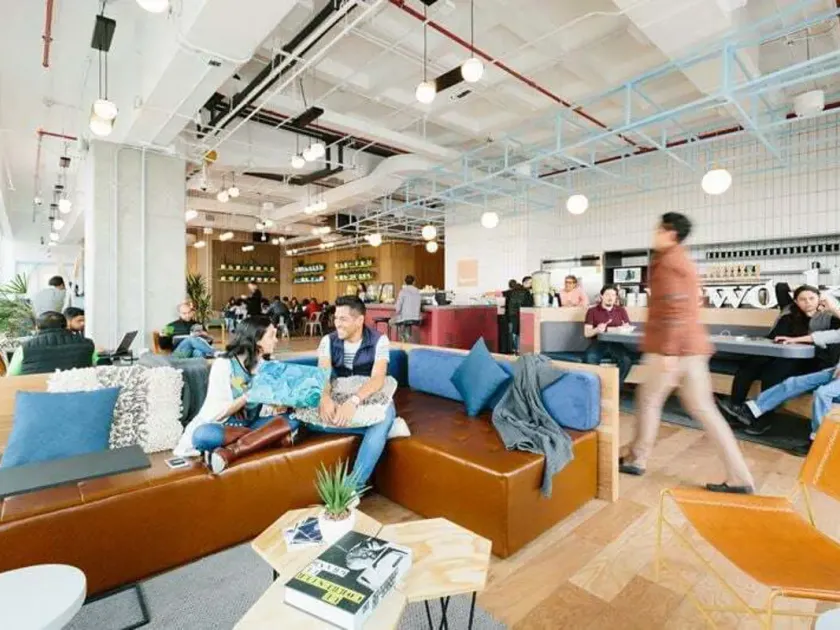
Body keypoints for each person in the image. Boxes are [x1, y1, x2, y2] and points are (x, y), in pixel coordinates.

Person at [619, 213, 754, 494]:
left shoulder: (669, 263)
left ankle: (636, 458)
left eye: (657, 229)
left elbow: (676, 306)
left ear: (669, 232)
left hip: (672, 349)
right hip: (692, 348)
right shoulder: (683, 260)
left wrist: (669, 349)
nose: (654, 233)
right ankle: (740, 477)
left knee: (648, 400)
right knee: (705, 410)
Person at [288, 296, 396, 488]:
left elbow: (378, 378)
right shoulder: (327, 341)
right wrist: (325, 397)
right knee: (303, 414)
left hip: (370, 393)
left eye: (343, 319)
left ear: (359, 320)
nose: (337, 323)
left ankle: (352, 487)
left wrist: (354, 401)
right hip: (338, 390)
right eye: (336, 318)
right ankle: (385, 429)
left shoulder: (380, 340)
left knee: (382, 419)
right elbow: (324, 374)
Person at [186, 318, 293, 472]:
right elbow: (217, 412)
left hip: (255, 424)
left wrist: (282, 403)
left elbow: (275, 405)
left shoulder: (268, 366)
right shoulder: (224, 364)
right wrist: (248, 395)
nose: (276, 340)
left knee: (293, 418)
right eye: (271, 335)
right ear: (256, 339)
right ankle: (268, 439)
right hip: (225, 427)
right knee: (201, 435)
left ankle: (234, 449)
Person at [717, 286, 840, 420]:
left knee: (775, 373)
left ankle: (762, 419)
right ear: (796, 301)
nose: (808, 302)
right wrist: (802, 288)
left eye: (812, 298)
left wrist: (831, 306)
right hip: (778, 350)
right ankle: (737, 407)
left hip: (806, 358)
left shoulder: (827, 317)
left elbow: (829, 336)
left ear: (819, 299)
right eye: (803, 299)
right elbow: (780, 287)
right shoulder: (789, 310)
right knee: (753, 363)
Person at [6, 311, 97, 376]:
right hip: (78, 393)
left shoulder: (24, 348)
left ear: (37, 328)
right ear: (66, 326)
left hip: (36, 394)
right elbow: (95, 367)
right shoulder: (87, 344)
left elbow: (11, 375)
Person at [583, 285, 633, 387]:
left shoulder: (621, 310)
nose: (610, 298)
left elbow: (627, 327)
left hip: (616, 343)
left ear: (616, 297)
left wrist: (625, 328)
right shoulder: (592, 311)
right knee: (589, 358)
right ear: (601, 296)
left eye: (613, 295)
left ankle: (615, 389)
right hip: (598, 343)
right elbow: (587, 333)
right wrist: (597, 329)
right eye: (607, 295)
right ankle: (595, 388)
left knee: (626, 360)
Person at [503, 279, 531, 354]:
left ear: (510, 286)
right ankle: (519, 349)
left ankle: (513, 349)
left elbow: (506, 305)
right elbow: (530, 303)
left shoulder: (509, 292)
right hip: (523, 314)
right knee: (520, 332)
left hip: (512, 316)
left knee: (512, 332)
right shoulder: (526, 291)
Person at [393, 275, 422, 342]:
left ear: (404, 282)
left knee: (391, 322)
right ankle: (407, 337)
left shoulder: (403, 291)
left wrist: (397, 312)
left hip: (405, 318)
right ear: (414, 282)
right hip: (416, 318)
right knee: (406, 324)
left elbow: (398, 308)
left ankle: (403, 338)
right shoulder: (418, 291)